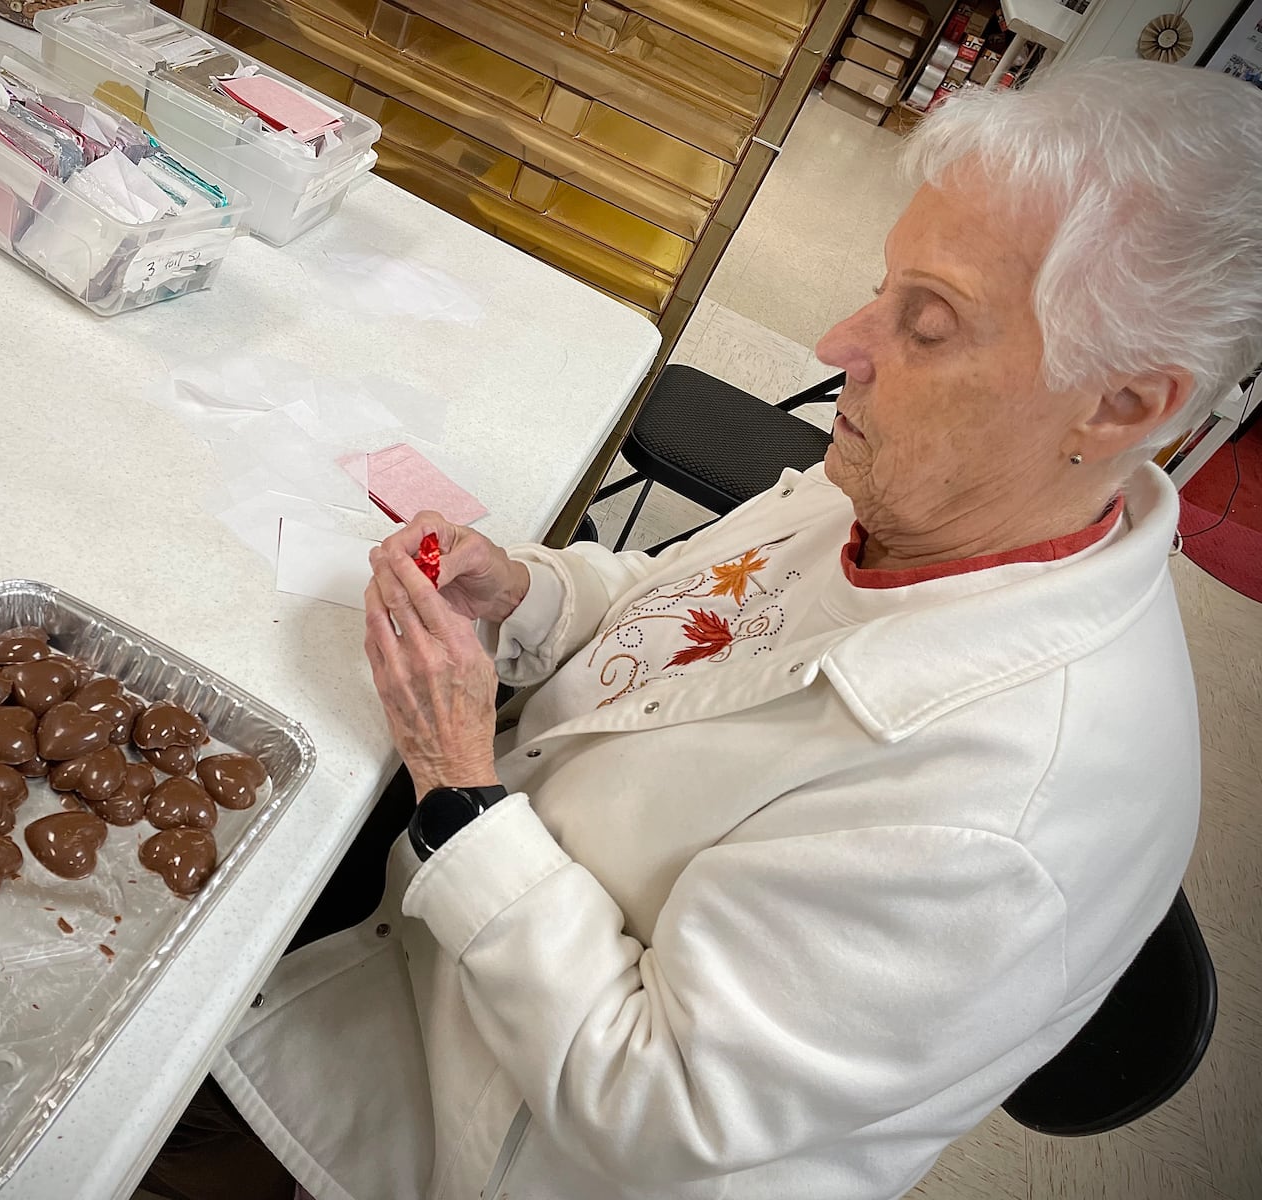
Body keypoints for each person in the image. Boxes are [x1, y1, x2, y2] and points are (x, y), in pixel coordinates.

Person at [151, 58, 1262, 1200]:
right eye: (883, 289)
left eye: (925, 325)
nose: (840, 343)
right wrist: (527, 596)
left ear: (1125, 403)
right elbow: (683, 605)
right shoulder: (944, 484)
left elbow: (650, 1104)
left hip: (466, 1131)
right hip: (426, 935)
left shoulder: (1002, 820)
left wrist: (458, 783)